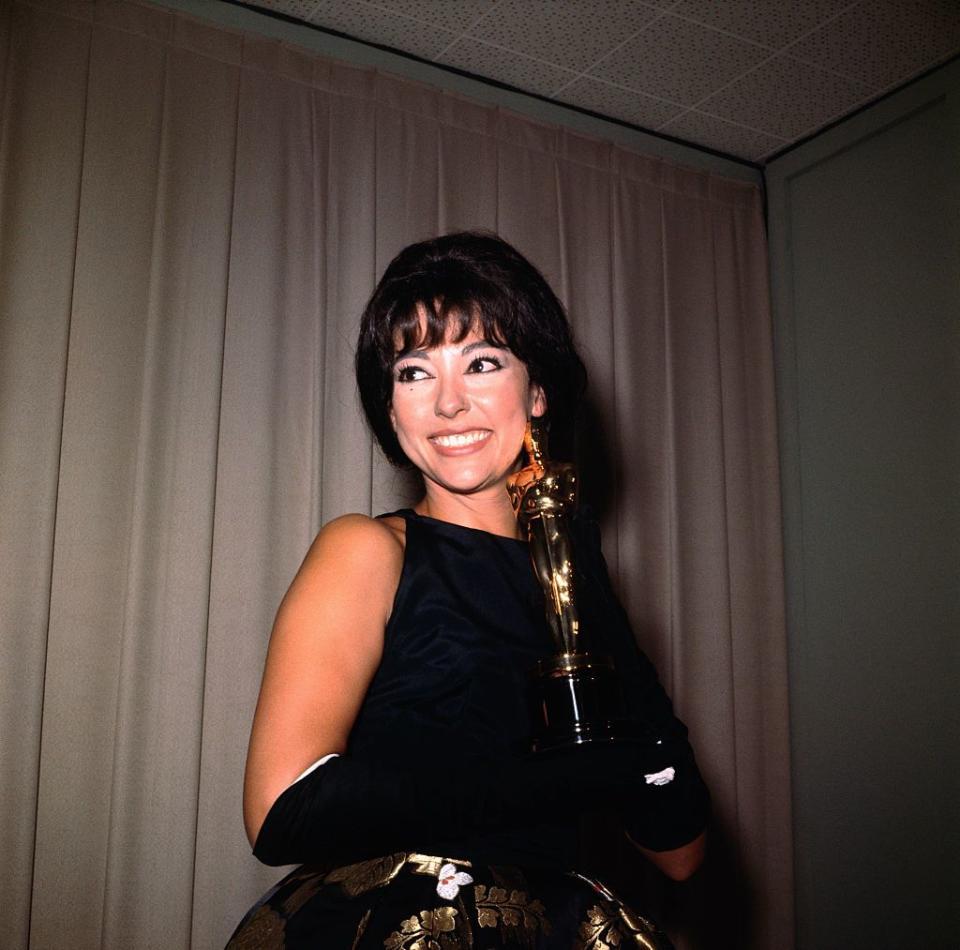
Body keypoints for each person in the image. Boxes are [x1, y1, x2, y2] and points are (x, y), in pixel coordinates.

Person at [227, 232, 708, 949]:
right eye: (415, 372)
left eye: (481, 363)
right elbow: (281, 812)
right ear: (391, 409)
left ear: (537, 391)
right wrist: (559, 778)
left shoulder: (573, 581)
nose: (448, 404)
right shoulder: (368, 549)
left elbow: (679, 850)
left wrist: (591, 600)